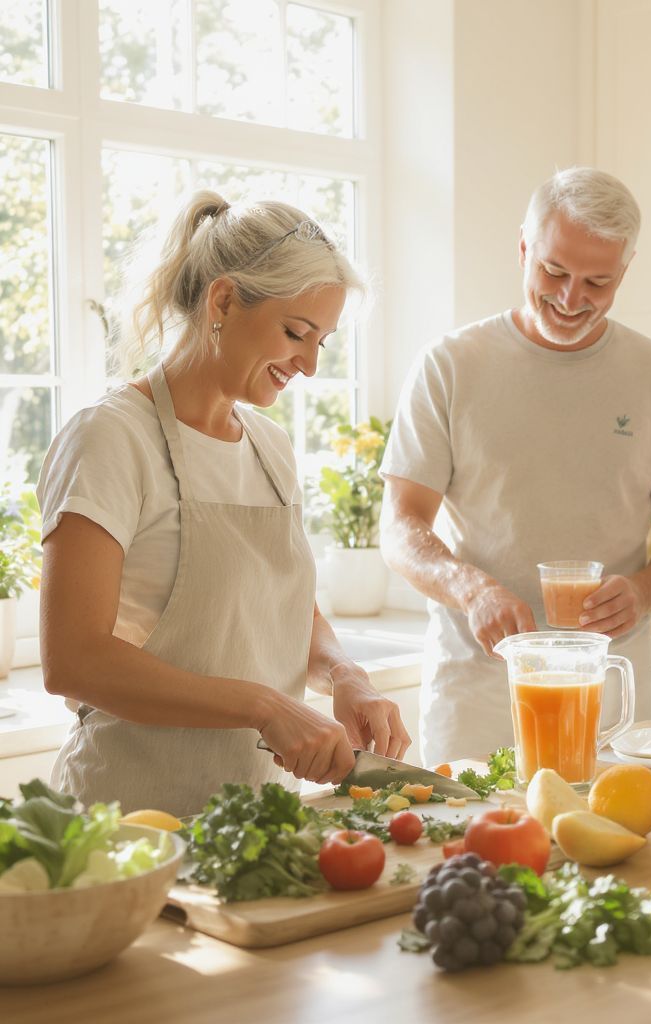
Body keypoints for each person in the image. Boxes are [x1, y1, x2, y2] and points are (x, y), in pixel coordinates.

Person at [37, 191, 411, 817]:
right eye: (297, 333)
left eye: (323, 341)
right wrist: (264, 706)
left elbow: (287, 611)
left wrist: (346, 675)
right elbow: (73, 660)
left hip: (255, 822)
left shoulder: (270, 447)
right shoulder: (110, 437)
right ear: (223, 300)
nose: (311, 366)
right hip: (129, 823)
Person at [380, 167, 651, 764]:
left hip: (612, 699)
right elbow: (401, 525)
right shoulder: (450, 365)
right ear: (523, 249)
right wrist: (472, 589)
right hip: (479, 700)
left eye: (598, 282)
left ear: (625, 271)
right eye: (554, 272)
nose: (570, 298)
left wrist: (643, 591)